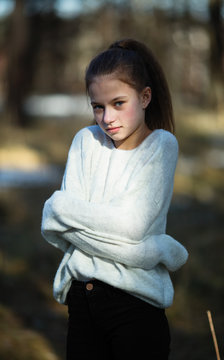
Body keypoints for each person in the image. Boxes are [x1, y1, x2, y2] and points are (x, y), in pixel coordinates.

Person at [41, 38, 188, 360]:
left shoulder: (161, 145)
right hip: (82, 300)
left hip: (136, 306)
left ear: (145, 96)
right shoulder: (86, 141)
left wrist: (62, 207)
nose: (107, 117)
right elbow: (56, 228)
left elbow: (131, 226)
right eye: (97, 106)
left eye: (119, 103)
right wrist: (153, 251)